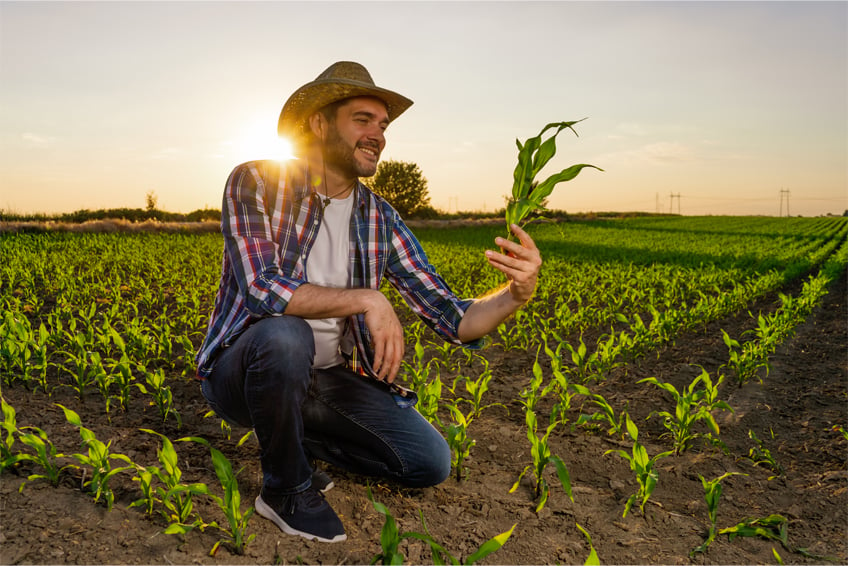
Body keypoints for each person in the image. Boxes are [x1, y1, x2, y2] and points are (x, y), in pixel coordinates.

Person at [195, 61, 542, 543]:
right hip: (244, 371)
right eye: (363, 119)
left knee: (428, 462)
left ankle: (292, 437)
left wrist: (515, 294)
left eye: (382, 125)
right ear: (318, 122)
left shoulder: (380, 218)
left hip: (326, 379)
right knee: (285, 332)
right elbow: (262, 288)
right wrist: (367, 298)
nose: (378, 134)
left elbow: (452, 316)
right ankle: (286, 489)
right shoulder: (255, 181)